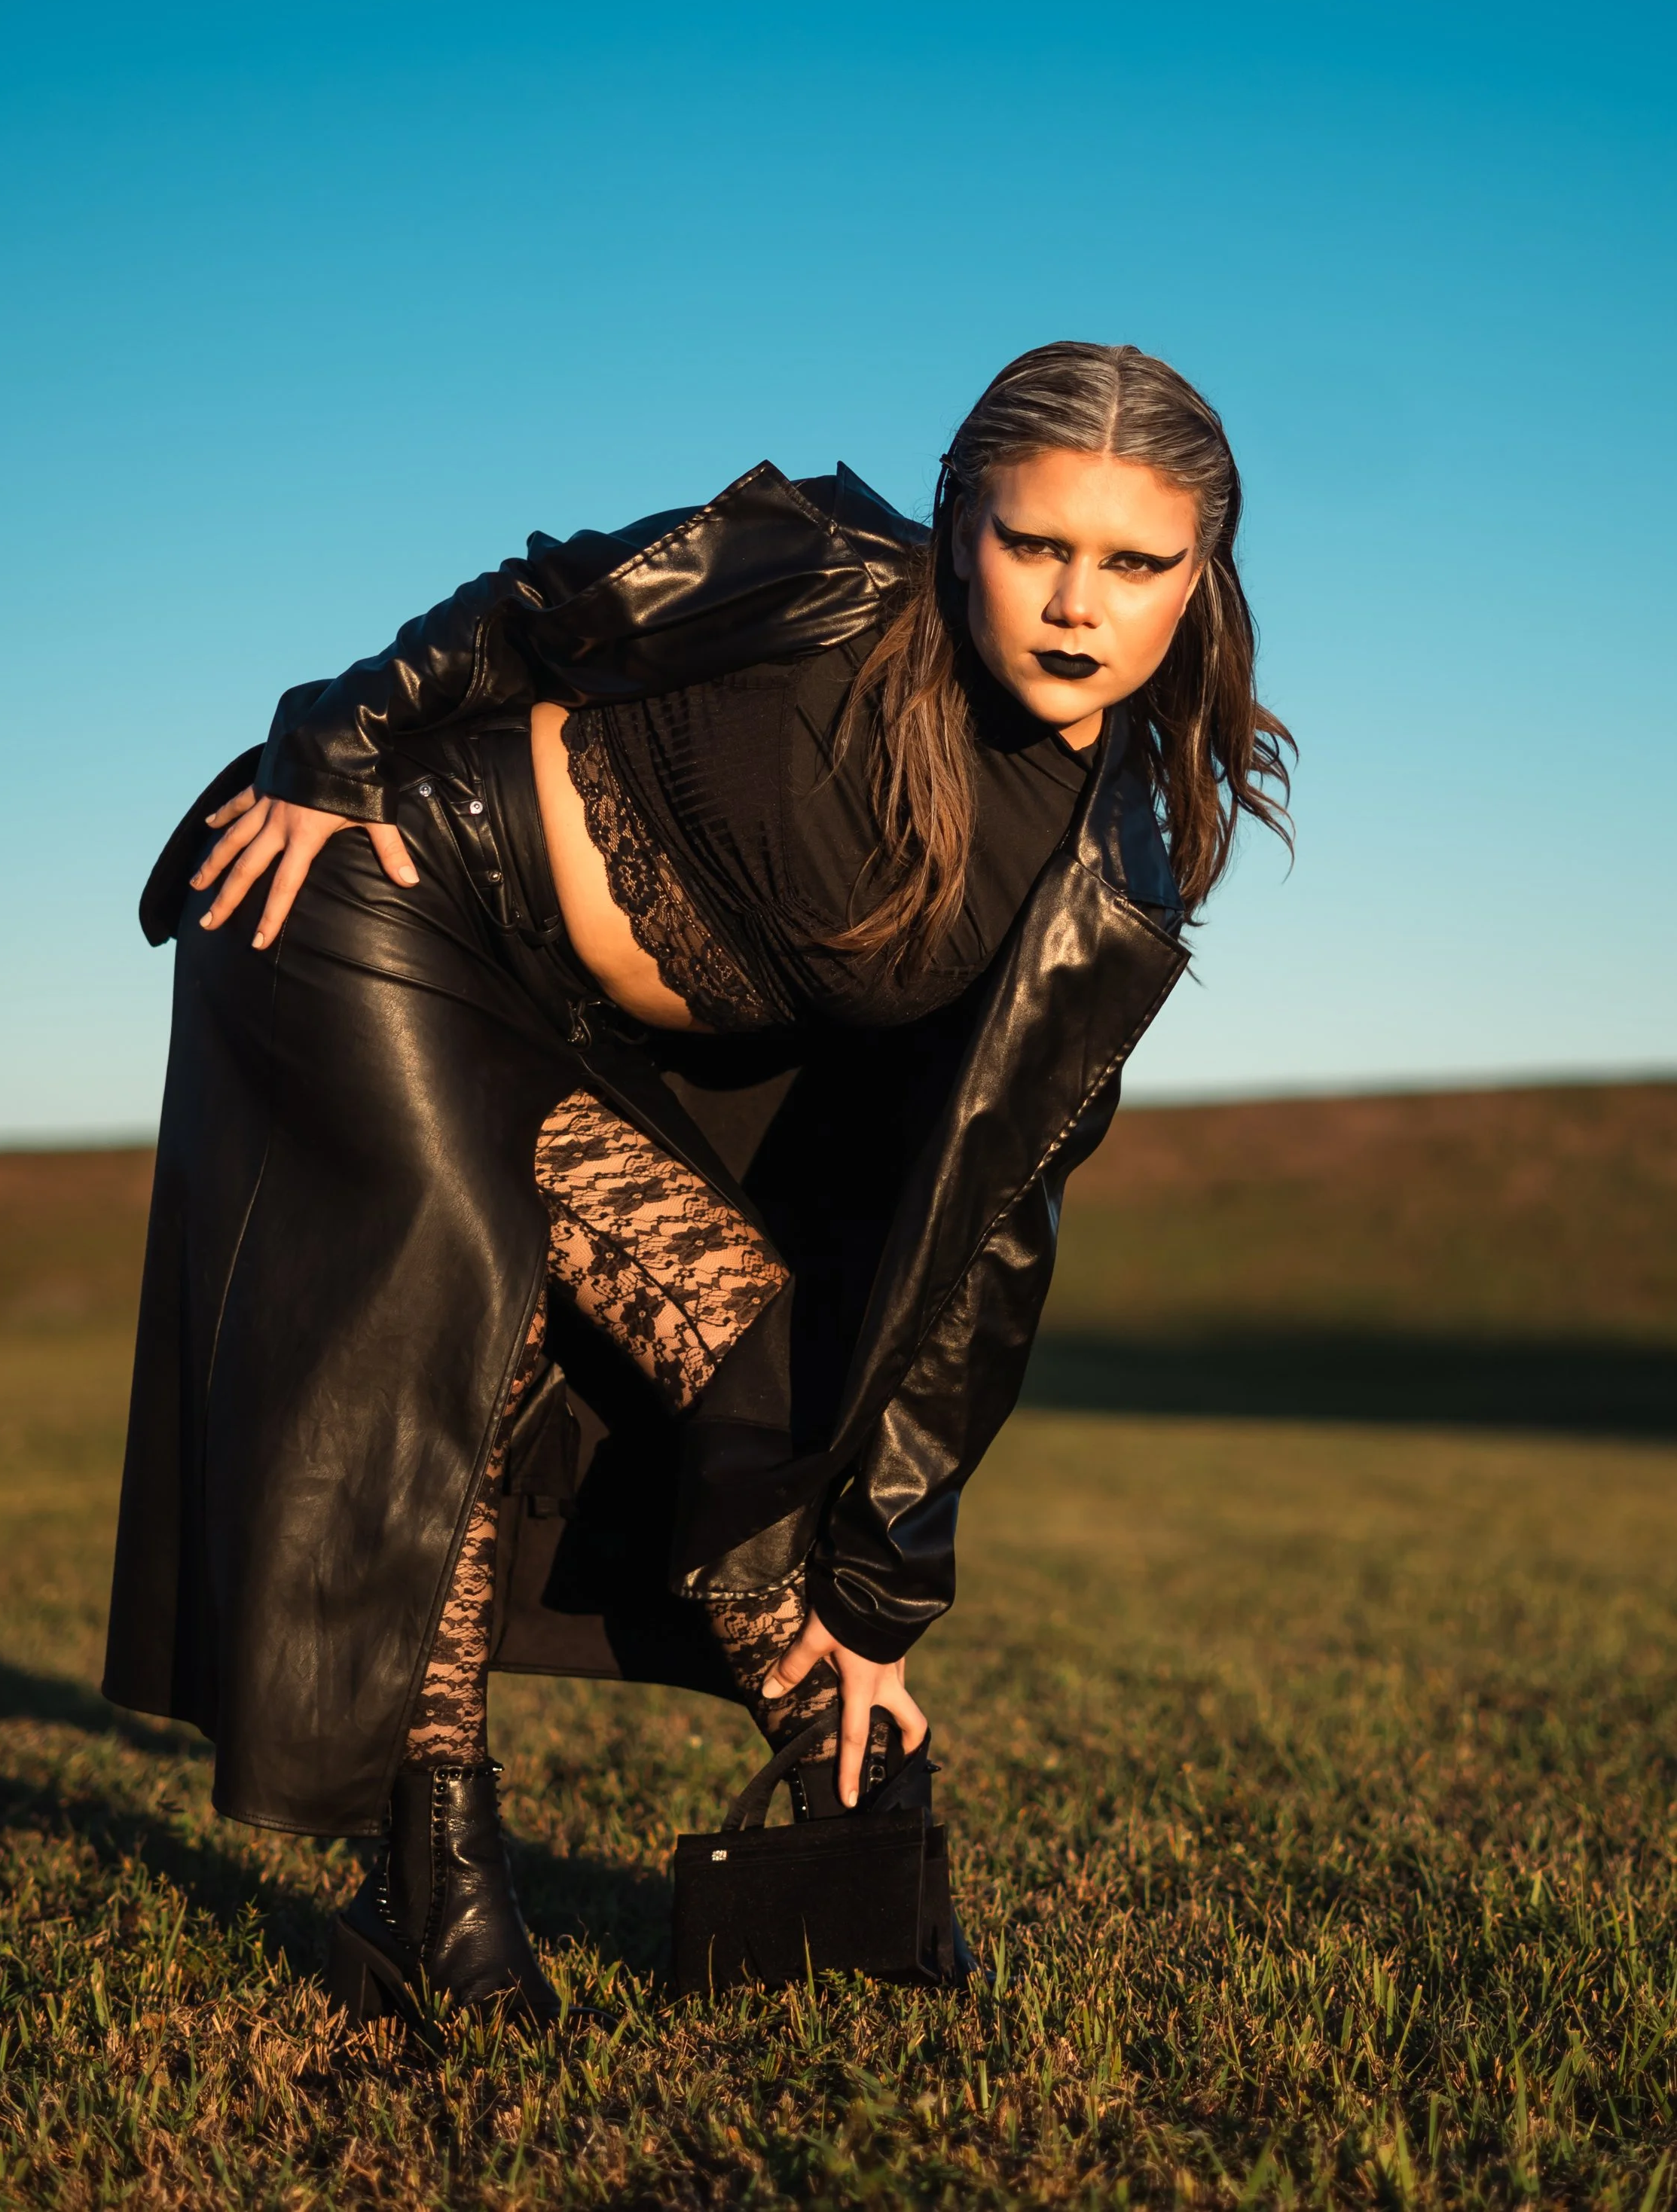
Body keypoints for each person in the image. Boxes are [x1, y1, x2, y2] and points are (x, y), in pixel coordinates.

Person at [102, 340, 1292, 2024]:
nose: (1073, 602)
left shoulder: (1113, 862)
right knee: (452, 1323)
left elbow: (987, 1235)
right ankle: (437, 1885)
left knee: (747, 1353)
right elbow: (533, 606)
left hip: (568, 1035)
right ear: (959, 528)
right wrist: (326, 744)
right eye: (1035, 544)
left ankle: (851, 1828)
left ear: (1199, 577)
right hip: (368, 899)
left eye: (1132, 562)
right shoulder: (815, 572)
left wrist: (881, 1594)